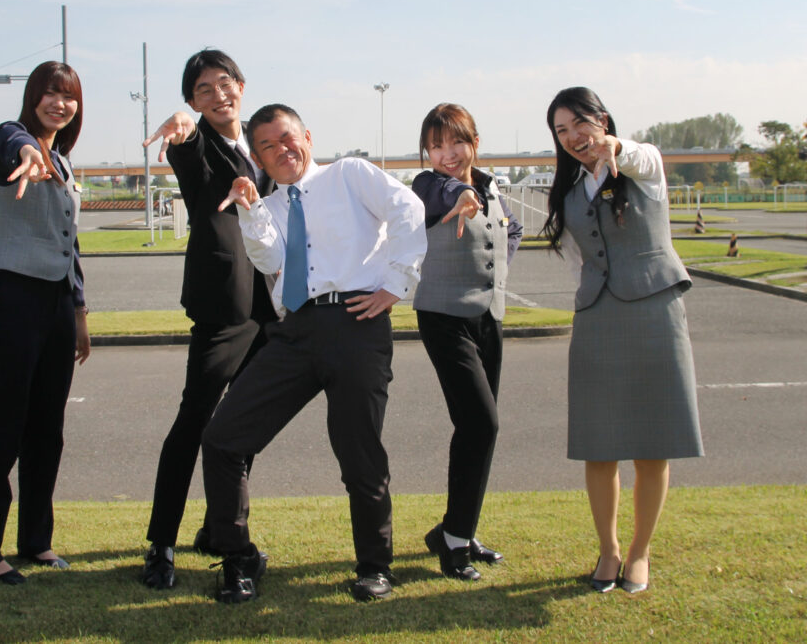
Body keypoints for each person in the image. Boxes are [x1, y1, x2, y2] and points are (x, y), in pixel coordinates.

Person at [206, 104, 426, 603]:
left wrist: (395, 284)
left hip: (357, 324)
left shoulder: (349, 175)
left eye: (287, 138)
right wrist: (249, 209)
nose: (281, 151)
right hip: (296, 331)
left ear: (306, 135)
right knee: (223, 437)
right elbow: (271, 260)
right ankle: (239, 557)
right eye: (266, 146)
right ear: (258, 158)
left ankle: (375, 565)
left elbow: (409, 209)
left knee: (358, 452)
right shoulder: (271, 203)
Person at [542, 86, 703, 595]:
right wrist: (592, 294)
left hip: (655, 313)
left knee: (653, 445)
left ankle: (640, 552)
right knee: (599, 444)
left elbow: (642, 155)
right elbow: (577, 260)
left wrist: (617, 149)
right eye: (561, 132)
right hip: (597, 317)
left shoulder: (644, 167)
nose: (572, 139)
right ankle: (608, 550)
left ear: (602, 120)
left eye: (579, 126)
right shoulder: (567, 194)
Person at [137, 49, 277, 589]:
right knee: (193, 424)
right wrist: (182, 123)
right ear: (193, 100)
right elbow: (187, 146)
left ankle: (219, 529)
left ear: (242, 85)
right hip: (224, 310)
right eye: (204, 90)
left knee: (241, 429)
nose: (219, 95)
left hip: (269, 312)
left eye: (225, 83)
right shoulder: (198, 146)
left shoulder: (261, 146)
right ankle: (161, 545)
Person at [0, 60, 91, 585]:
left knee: (46, 431)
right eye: (50, 94)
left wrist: (79, 313)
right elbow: (10, 144)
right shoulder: (11, 140)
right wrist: (27, 152)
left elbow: (70, 244)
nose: (59, 103)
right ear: (33, 96)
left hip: (55, 305)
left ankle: (36, 540)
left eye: (69, 96)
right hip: (7, 299)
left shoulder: (63, 160)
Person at [411, 103, 523, 581]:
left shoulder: (493, 187)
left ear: (473, 141)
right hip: (444, 317)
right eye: (436, 145)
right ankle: (455, 542)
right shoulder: (428, 185)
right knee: (483, 423)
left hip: (488, 316)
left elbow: (511, 229)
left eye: (455, 141)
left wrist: (498, 273)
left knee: (475, 429)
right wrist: (461, 191)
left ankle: (458, 529)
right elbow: (443, 191)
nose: (446, 154)